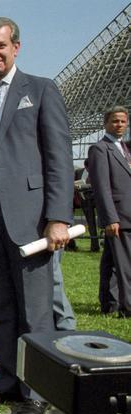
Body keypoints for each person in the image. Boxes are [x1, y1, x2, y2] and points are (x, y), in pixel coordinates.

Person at [0, 17, 73, 414]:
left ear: (17, 47)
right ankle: (6, 383)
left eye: (1, 46)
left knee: (35, 310)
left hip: (30, 218)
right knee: (1, 305)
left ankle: (38, 391)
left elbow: (58, 158)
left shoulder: (40, 89)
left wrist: (57, 217)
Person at [86, 106, 131, 318]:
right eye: (115, 121)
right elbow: (101, 186)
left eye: (123, 121)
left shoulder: (125, 149)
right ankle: (128, 307)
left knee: (112, 262)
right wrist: (110, 218)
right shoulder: (100, 149)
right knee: (126, 265)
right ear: (105, 124)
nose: (119, 125)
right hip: (119, 217)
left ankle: (109, 302)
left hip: (126, 214)